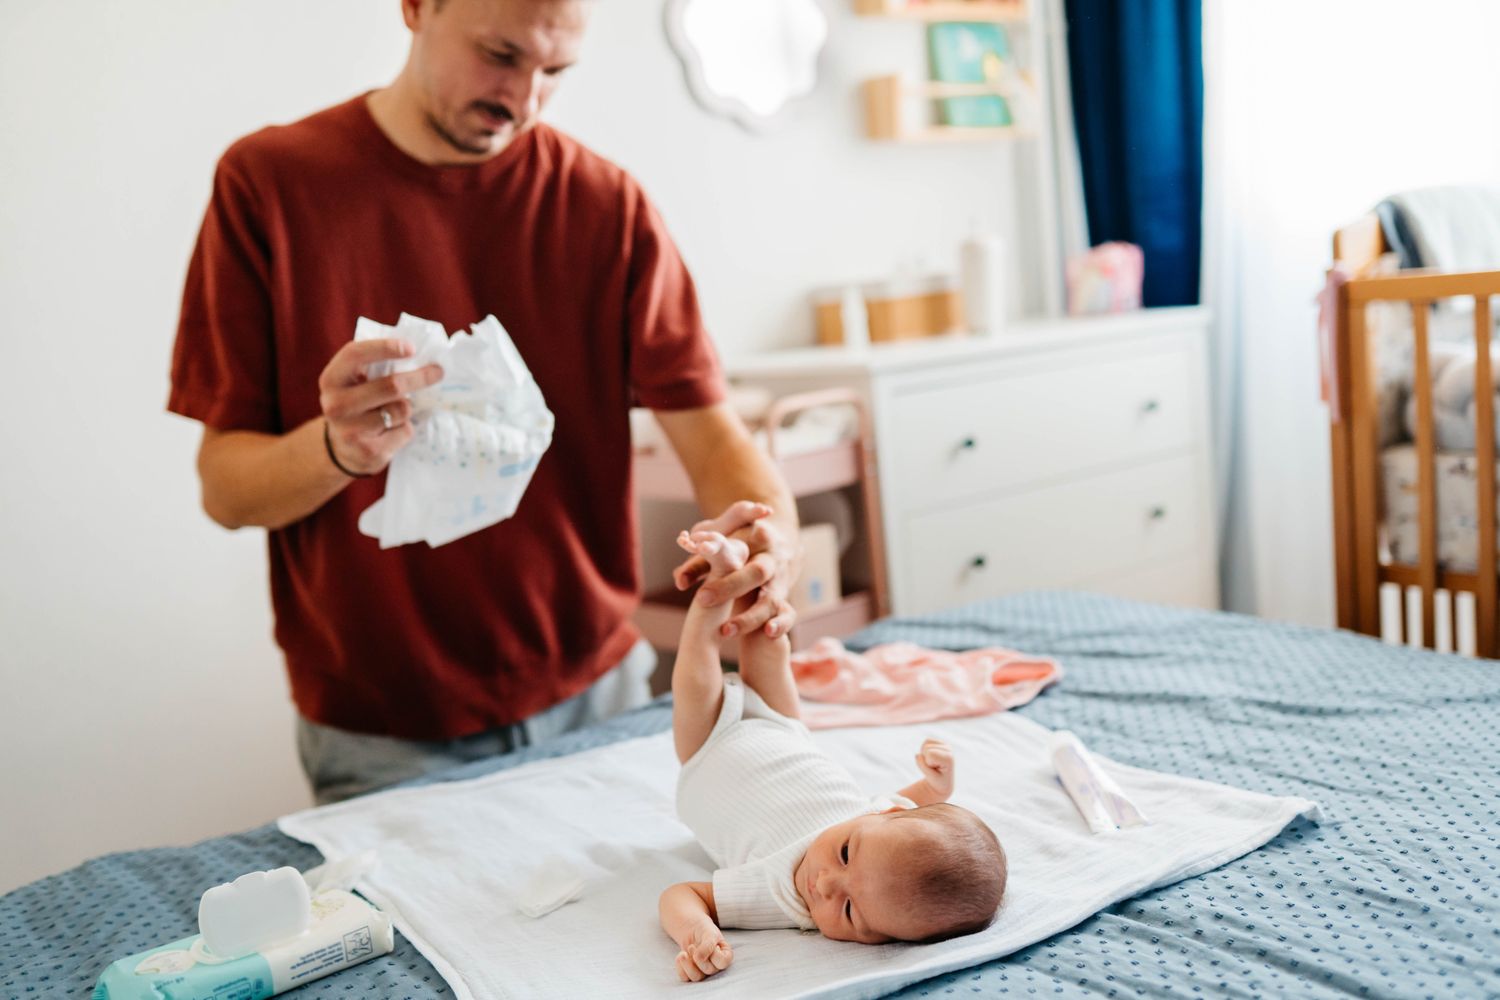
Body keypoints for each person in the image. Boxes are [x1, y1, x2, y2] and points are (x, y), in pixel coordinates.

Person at [167, 0, 798, 804]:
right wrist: (336, 449)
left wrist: (773, 541)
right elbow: (224, 490)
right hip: (385, 731)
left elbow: (713, 437)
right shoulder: (270, 186)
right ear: (417, 8)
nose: (525, 99)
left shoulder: (607, 206)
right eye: (501, 54)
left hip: (597, 688)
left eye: (556, 71)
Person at [658, 519, 1006, 983]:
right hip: (786, 731)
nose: (823, 884)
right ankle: (741, 575)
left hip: (709, 755)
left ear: (881, 942)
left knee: (698, 674)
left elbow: (683, 894)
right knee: (768, 642)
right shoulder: (883, 826)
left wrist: (696, 931)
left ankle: (711, 595)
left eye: (850, 912)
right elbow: (912, 805)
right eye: (844, 854)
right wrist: (937, 786)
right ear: (877, 819)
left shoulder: (778, 897)